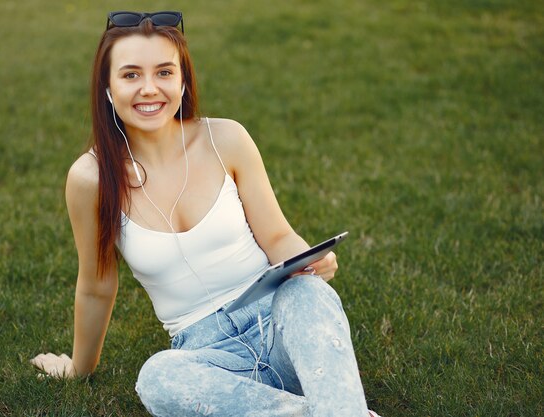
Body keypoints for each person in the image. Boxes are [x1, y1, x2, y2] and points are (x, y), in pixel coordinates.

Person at [31, 11, 381, 417]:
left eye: (164, 72)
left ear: (183, 81)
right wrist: (78, 367)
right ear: (107, 88)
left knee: (306, 293)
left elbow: (278, 236)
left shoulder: (225, 138)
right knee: (156, 377)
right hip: (209, 360)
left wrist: (309, 259)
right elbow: (96, 286)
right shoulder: (90, 178)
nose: (149, 89)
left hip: (279, 327)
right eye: (130, 75)